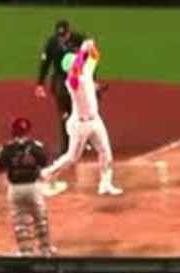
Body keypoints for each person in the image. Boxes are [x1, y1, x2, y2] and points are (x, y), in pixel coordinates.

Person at [40, 33, 121, 198]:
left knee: (106, 152)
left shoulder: (87, 71)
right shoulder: (71, 81)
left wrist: (91, 47)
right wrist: (82, 51)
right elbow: (76, 71)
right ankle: (48, 174)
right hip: (80, 125)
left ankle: (105, 185)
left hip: (95, 121)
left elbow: (95, 56)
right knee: (72, 157)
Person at [0, 116, 55, 258]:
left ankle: (25, 251)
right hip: (34, 187)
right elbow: (45, 163)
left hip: (15, 189)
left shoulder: (6, 148)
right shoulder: (36, 146)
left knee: (20, 220)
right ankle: (45, 250)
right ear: (28, 131)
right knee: (40, 218)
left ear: (13, 132)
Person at [32, 17, 79, 158]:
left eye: (64, 35)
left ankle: (80, 141)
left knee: (79, 114)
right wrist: (40, 83)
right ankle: (67, 148)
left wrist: (92, 80)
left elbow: (90, 60)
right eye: (60, 35)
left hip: (77, 79)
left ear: (69, 32)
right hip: (60, 79)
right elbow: (45, 63)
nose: (62, 38)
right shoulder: (52, 43)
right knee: (65, 115)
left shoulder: (79, 40)